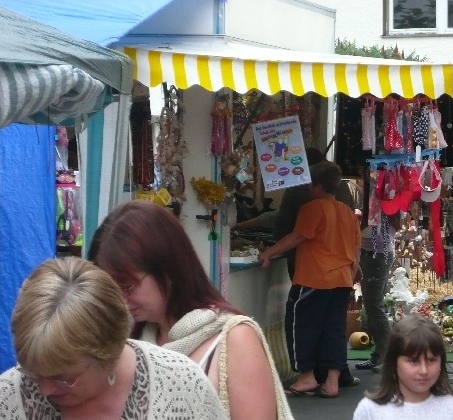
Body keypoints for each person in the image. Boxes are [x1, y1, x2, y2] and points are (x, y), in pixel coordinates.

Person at [89, 200, 291, 420]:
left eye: (128, 286)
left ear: (168, 268)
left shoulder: (234, 339)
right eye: (111, 289)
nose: (120, 299)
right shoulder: (132, 343)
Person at [0, 257, 226, 419]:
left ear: (109, 354)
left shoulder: (181, 386)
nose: (44, 390)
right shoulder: (8, 397)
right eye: (34, 373)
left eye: (63, 378)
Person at [260, 161, 361, 399]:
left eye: (308, 184)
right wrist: (351, 272)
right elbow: (356, 249)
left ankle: (307, 377)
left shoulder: (313, 208)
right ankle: (332, 382)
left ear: (316, 186)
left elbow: (297, 236)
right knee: (334, 330)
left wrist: (269, 252)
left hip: (314, 278)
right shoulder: (347, 212)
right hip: (342, 279)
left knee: (301, 326)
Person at [352, 315, 453, 420]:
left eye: (431, 360)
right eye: (414, 361)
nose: (424, 370)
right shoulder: (370, 411)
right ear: (394, 362)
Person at [354, 165, 401, 373]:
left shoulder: (378, 199)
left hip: (377, 255)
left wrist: (355, 222)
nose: (359, 182)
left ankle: (386, 356)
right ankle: (381, 355)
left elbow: (371, 232)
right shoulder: (385, 198)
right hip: (376, 253)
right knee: (374, 306)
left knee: (374, 306)